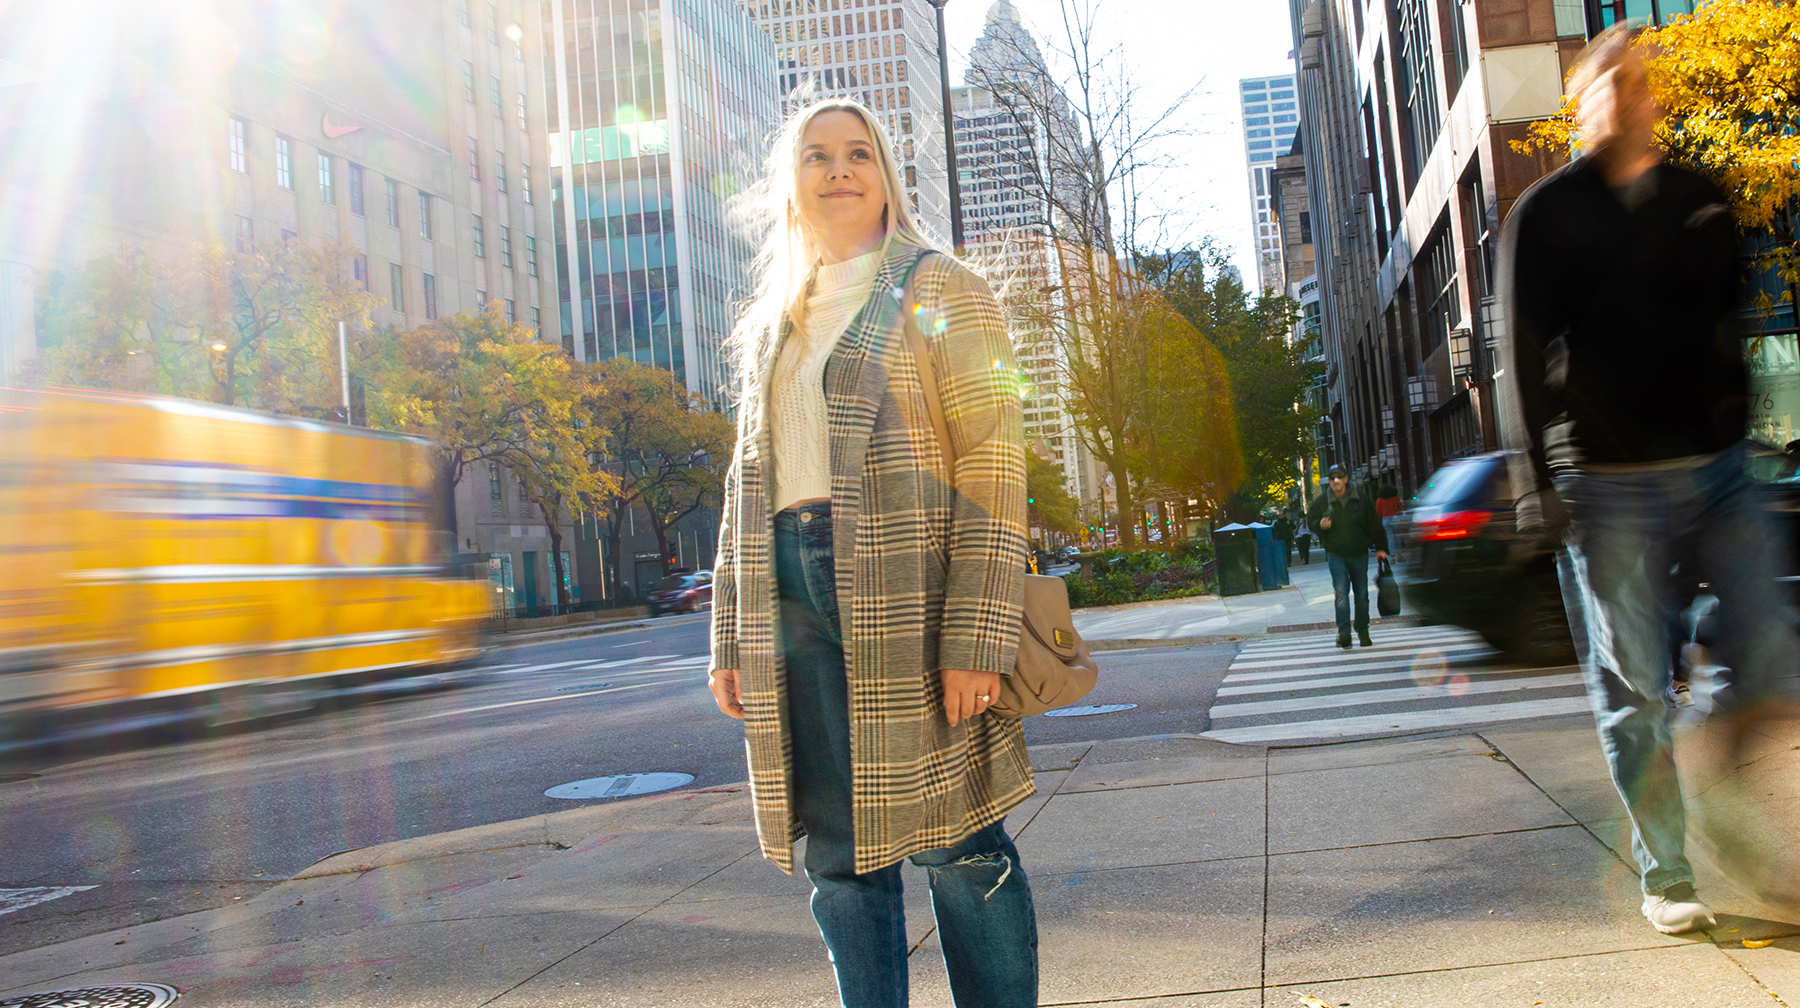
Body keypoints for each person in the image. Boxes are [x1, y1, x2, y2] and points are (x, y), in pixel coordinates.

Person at [706, 99, 1039, 1008]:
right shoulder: (774, 322)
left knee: (957, 842)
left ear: (887, 175)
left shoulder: (942, 288)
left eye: (860, 153)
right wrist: (729, 637)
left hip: (910, 593)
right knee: (839, 857)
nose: (840, 169)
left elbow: (995, 464)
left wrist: (977, 634)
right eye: (818, 156)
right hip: (790, 596)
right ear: (792, 182)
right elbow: (747, 485)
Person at [1495, 25, 1799, 935]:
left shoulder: (1703, 201)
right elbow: (1516, 351)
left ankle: (1718, 765)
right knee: (1632, 690)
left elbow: (1732, 328)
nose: (1630, 94)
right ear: (1580, 101)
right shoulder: (1546, 216)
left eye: (1643, 80)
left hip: (1719, 475)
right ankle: (1668, 875)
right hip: (1611, 488)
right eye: (1610, 82)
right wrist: (1533, 485)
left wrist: (1742, 435)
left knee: (1776, 649)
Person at [1307, 465, 1388, 648]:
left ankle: (1363, 631)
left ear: (1345, 479)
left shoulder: (1360, 498)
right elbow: (1311, 520)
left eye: (1339, 477)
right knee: (1341, 594)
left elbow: (1373, 523)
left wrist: (1382, 548)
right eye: (1332, 477)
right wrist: (1319, 524)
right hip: (1337, 554)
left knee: (1361, 595)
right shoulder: (1322, 501)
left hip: (1359, 553)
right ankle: (1344, 633)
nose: (1336, 481)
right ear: (1329, 481)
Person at [1374, 485, 1404, 563]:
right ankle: (1399, 555)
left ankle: (1392, 557)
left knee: (1390, 538)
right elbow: (1401, 508)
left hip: (1385, 519)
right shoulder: (1395, 498)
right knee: (1397, 537)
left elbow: (1377, 512)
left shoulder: (1379, 500)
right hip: (1395, 518)